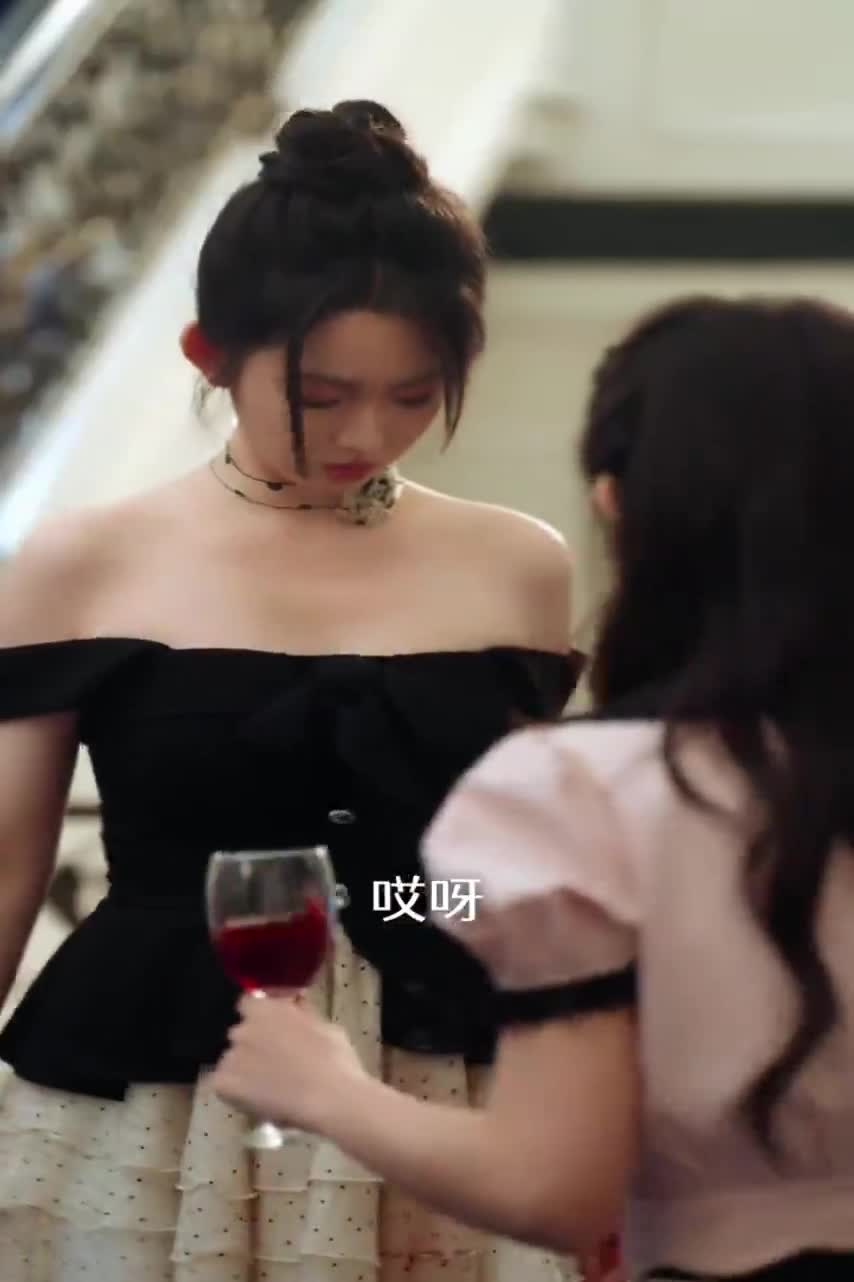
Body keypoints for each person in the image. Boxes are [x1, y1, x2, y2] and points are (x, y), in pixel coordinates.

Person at [0, 102, 583, 1280]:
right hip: (156, 1090)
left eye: (413, 395)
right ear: (206, 355)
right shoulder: (81, 561)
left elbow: (519, 875)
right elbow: (8, 866)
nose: (368, 432)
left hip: (440, 1077)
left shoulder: (516, 564)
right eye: (320, 395)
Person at [213, 295, 854, 1282]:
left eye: (411, 395)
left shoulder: (579, 790)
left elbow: (554, 1186)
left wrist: (324, 1085)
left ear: (614, 502)